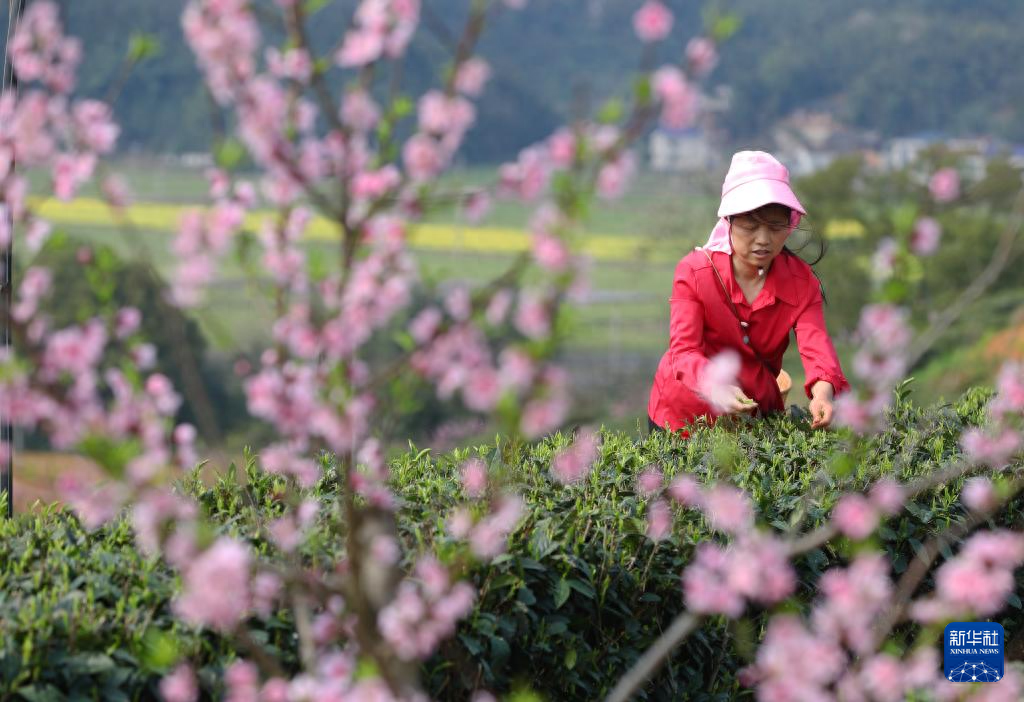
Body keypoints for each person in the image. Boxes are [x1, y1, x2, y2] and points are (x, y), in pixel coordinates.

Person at [647, 150, 849, 434]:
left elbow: (817, 348)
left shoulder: (801, 282)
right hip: (682, 418)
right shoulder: (694, 272)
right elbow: (684, 352)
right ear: (728, 221)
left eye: (775, 227)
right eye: (750, 226)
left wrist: (823, 394)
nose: (763, 240)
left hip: (754, 417)